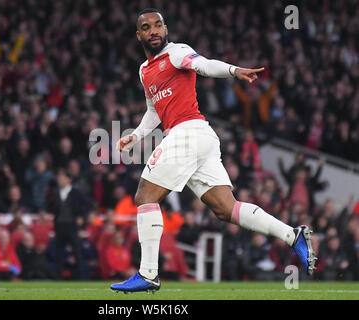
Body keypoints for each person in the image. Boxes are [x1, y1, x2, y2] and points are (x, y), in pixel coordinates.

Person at [111, 8, 316, 293]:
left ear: (166, 29)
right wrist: (135, 136)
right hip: (200, 138)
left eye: (158, 25)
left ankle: (148, 274)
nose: (154, 31)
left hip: (188, 133)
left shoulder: (177, 52)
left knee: (145, 195)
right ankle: (293, 235)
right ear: (139, 35)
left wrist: (233, 70)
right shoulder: (145, 71)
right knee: (225, 209)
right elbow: (153, 110)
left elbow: (204, 65)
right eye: (147, 27)